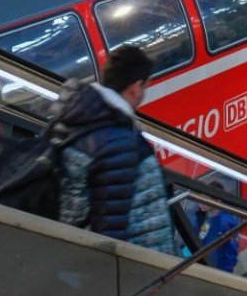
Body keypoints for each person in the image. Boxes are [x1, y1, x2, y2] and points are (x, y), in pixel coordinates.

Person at [55, 45, 177, 254]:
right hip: (128, 267)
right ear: (136, 87)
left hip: (79, 255)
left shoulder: (70, 121)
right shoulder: (122, 143)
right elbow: (119, 227)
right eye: (146, 86)